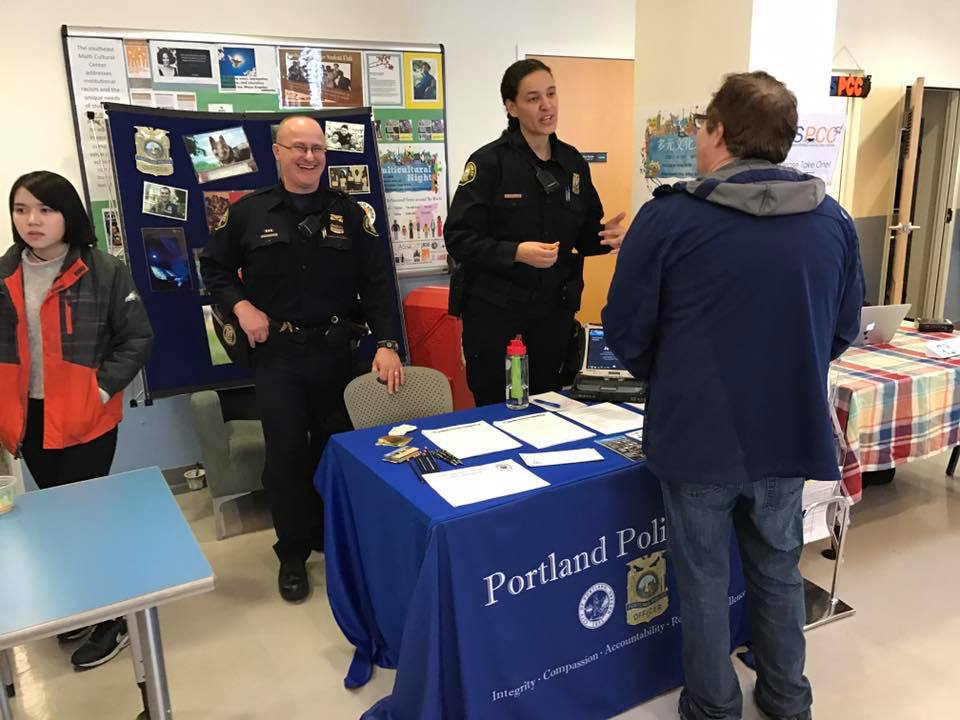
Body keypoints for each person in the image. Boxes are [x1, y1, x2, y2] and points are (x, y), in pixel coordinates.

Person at [602, 72, 865, 720]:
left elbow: (626, 334)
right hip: (786, 433)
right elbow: (843, 328)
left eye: (701, 126)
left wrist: (673, 373)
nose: (696, 137)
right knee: (777, 569)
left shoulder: (669, 218)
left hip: (697, 437)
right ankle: (787, 698)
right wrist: (788, 369)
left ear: (718, 133)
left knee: (702, 579)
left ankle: (713, 706)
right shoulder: (832, 220)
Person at [200, 115, 403, 603]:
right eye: (299, 147)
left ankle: (331, 535)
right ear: (277, 152)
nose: (309, 157)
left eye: (317, 148)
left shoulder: (350, 214)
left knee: (337, 450)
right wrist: (242, 306)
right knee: (286, 456)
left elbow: (377, 284)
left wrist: (388, 344)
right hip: (279, 356)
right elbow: (215, 269)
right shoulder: (248, 213)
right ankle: (291, 553)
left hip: (338, 354)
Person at [1, 171, 153, 668]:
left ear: (68, 214)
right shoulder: (4, 274)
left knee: (89, 518)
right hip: (28, 417)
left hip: (87, 416)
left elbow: (137, 338)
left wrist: (100, 389)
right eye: (21, 209)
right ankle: (85, 603)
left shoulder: (103, 271)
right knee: (56, 519)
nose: (32, 220)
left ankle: (115, 619)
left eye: (45, 209)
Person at [444, 59, 625, 406]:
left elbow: (583, 237)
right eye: (533, 98)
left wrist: (607, 237)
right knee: (498, 410)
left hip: (553, 316)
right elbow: (458, 238)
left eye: (551, 94)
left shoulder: (572, 163)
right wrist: (516, 252)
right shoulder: (488, 163)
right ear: (511, 107)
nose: (547, 105)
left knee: (550, 408)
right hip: (497, 317)